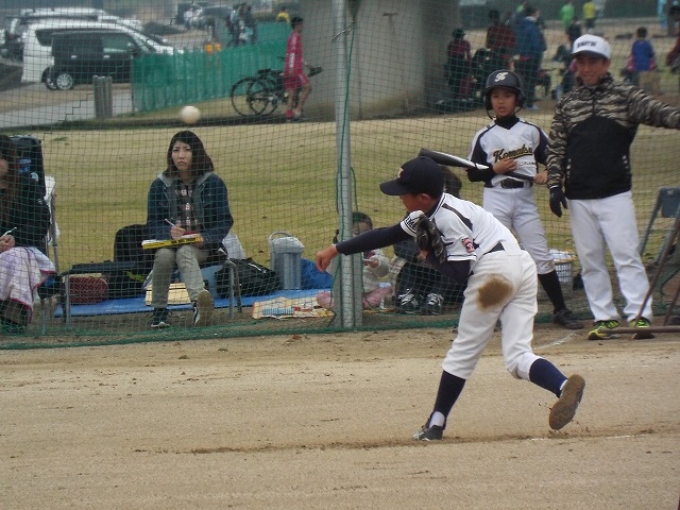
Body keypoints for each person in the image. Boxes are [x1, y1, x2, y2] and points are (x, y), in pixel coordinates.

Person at [315, 156, 586, 441]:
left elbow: (460, 272)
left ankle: (436, 424)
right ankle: (562, 386)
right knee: (518, 356)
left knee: (462, 352)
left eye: (404, 193)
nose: (400, 197)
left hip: (495, 273)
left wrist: (429, 255)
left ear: (422, 197)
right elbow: (387, 234)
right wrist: (336, 249)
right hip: (521, 267)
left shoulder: (448, 219)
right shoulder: (430, 210)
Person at [546, 34, 680, 340]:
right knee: (590, 261)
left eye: (593, 61)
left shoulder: (625, 96)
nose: (587, 68)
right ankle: (604, 318)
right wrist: (554, 185)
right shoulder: (567, 103)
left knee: (626, 255)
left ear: (606, 64)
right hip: (579, 196)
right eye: (582, 62)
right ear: (576, 65)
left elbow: (659, 112)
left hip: (616, 193)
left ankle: (640, 315)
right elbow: (556, 147)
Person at [466, 70, 582, 330]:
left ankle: (560, 309)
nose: (501, 101)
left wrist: (546, 173)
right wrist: (494, 169)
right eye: (496, 96)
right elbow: (472, 173)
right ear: (489, 101)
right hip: (496, 198)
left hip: (525, 200)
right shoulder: (484, 136)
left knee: (540, 254)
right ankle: (492, 313)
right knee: (495, 257)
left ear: (517, 99)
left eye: (507, 95)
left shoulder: (531, 131)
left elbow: (554, 159)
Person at [146, 131, 233, 329]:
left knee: (185, 252)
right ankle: (159, 311)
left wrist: (205, 238)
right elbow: (152, 223)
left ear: (196, 153)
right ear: (170, 155)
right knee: (163, 256)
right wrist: (168, 233)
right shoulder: (160, 185)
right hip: (169, 245)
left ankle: (199, 306)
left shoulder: (213, 183)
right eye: (176, 150)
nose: (181, 155)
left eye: (186, 150)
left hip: (203, 247)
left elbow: (224, 221)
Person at [392, 166, 466, 315]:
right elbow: (399, 241)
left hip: (450, 279)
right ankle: (409, 296)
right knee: (410, 266)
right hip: (422, 269)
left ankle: (436, 298)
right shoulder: (416, 212)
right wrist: (417, 254)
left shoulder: (459, 212)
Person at [0, 135, 54, 333]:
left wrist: (15, 239)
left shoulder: (27, 186)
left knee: (15, 257)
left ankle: (12, 319)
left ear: (10, 159)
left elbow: (41, 222)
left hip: (24, 249)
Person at [316, 212, 392, 310]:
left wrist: (377, 264)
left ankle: (363, 305)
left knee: (388, 290)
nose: (362, 237)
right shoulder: (338, 250)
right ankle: (340, 306)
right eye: (357, 233)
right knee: (321, 296)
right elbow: (330, 271)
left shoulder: (374, 250)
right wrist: (336, 259)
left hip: (368, 293)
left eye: (366, 233)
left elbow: (384, 272)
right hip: (343, 295)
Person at [514, 4, 546, 111]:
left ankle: (523, 102)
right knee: (531, 81)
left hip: (522, 57)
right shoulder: (533, 26)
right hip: (533, 57)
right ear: (533, 13)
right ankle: (529, 104)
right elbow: (535, 43)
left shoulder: (521, 25)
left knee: (524, 81)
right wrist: (540, 51)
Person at [284, 16, 312, 122]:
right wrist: (292, 67)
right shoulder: (296, 37)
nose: (303, 26)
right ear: (298, 25)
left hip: (289, 68)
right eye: (301, 24)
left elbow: (295, 54)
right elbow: (292, 53)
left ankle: (289, 115)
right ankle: (298, 111)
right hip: (295, 70)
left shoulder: (291, 36)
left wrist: (305, 63)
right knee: (308, 87)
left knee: (292, 93)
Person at [445, 28, 472, 99]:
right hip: (460, 63)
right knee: (462, 80)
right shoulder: (465, 43)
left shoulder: (451, 44)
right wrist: (469, 66)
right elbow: (468, 56)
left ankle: (457, 96)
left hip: (454, 63)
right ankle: (461, 96)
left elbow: (449, 56)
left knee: (456, 81)